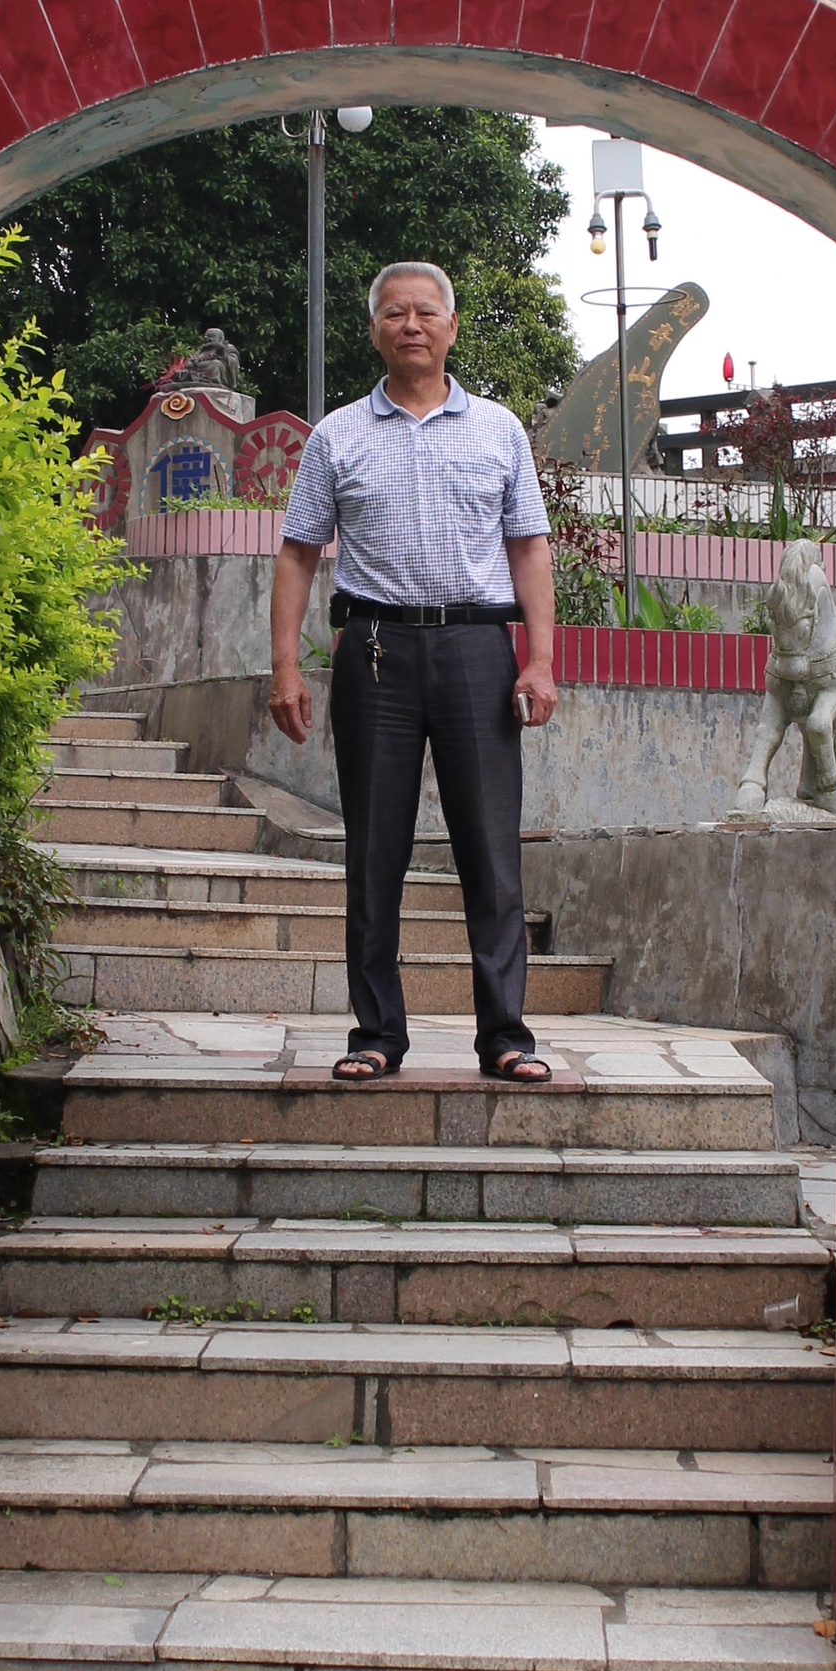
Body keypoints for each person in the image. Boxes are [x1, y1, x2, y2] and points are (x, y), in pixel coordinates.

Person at [270, 261, 558, 1084]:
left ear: (452, 327)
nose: (411, 325)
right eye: (394, 313)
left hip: (476, 652)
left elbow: (529, 547)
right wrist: (286, 665)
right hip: (373, 653)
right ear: (374, 330)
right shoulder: (336, 435)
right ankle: (375, 1034)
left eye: (426, 312)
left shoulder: (499, 430)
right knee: (375, 851)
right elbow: (297, 553)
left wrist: (538, 659)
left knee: (491, 852)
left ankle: (504, 1035)